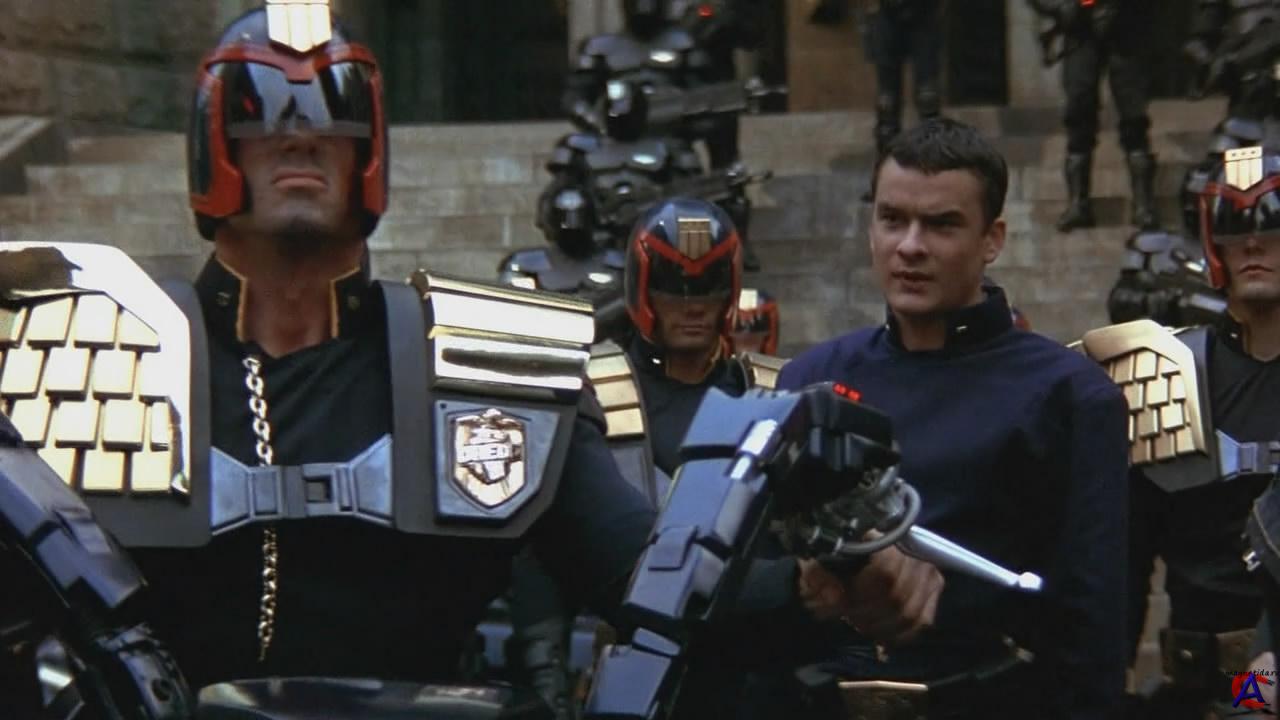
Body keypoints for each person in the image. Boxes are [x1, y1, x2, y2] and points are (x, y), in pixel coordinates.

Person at [0, 4, 899, 714]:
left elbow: (647, 584)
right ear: (213, 147)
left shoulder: (489, 360)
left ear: (370, 154)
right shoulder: (81, 346)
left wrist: (825, 588)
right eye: (261, 117)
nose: (301, 138)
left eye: (333, 116)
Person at [777, 117, 1130, 717]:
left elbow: (1092, 631)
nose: (910, 246)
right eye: (892, 219)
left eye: (941, 224)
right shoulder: (808, 380)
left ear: (992, 239)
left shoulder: (1070, 397)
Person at [1086, 145, 1280, 719]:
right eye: (1234, 231)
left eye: (1271, 229)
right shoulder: (1160, 376)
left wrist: (1256, 692)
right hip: (1195, 693)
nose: (1253, 246)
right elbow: (1122, 569)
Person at [1029, 0, 1161, 232]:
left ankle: (1144, 205)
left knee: (1133, 114)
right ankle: (1078, 203)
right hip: (1080, 29)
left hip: (1126, 24)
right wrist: (1058, 7)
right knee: (1078, 109)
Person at [862, 0, 944, 159]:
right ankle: (888, 154)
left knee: (928, 96)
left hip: (924, 14)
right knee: (888, 101)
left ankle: (932, 150)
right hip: (887, 14)